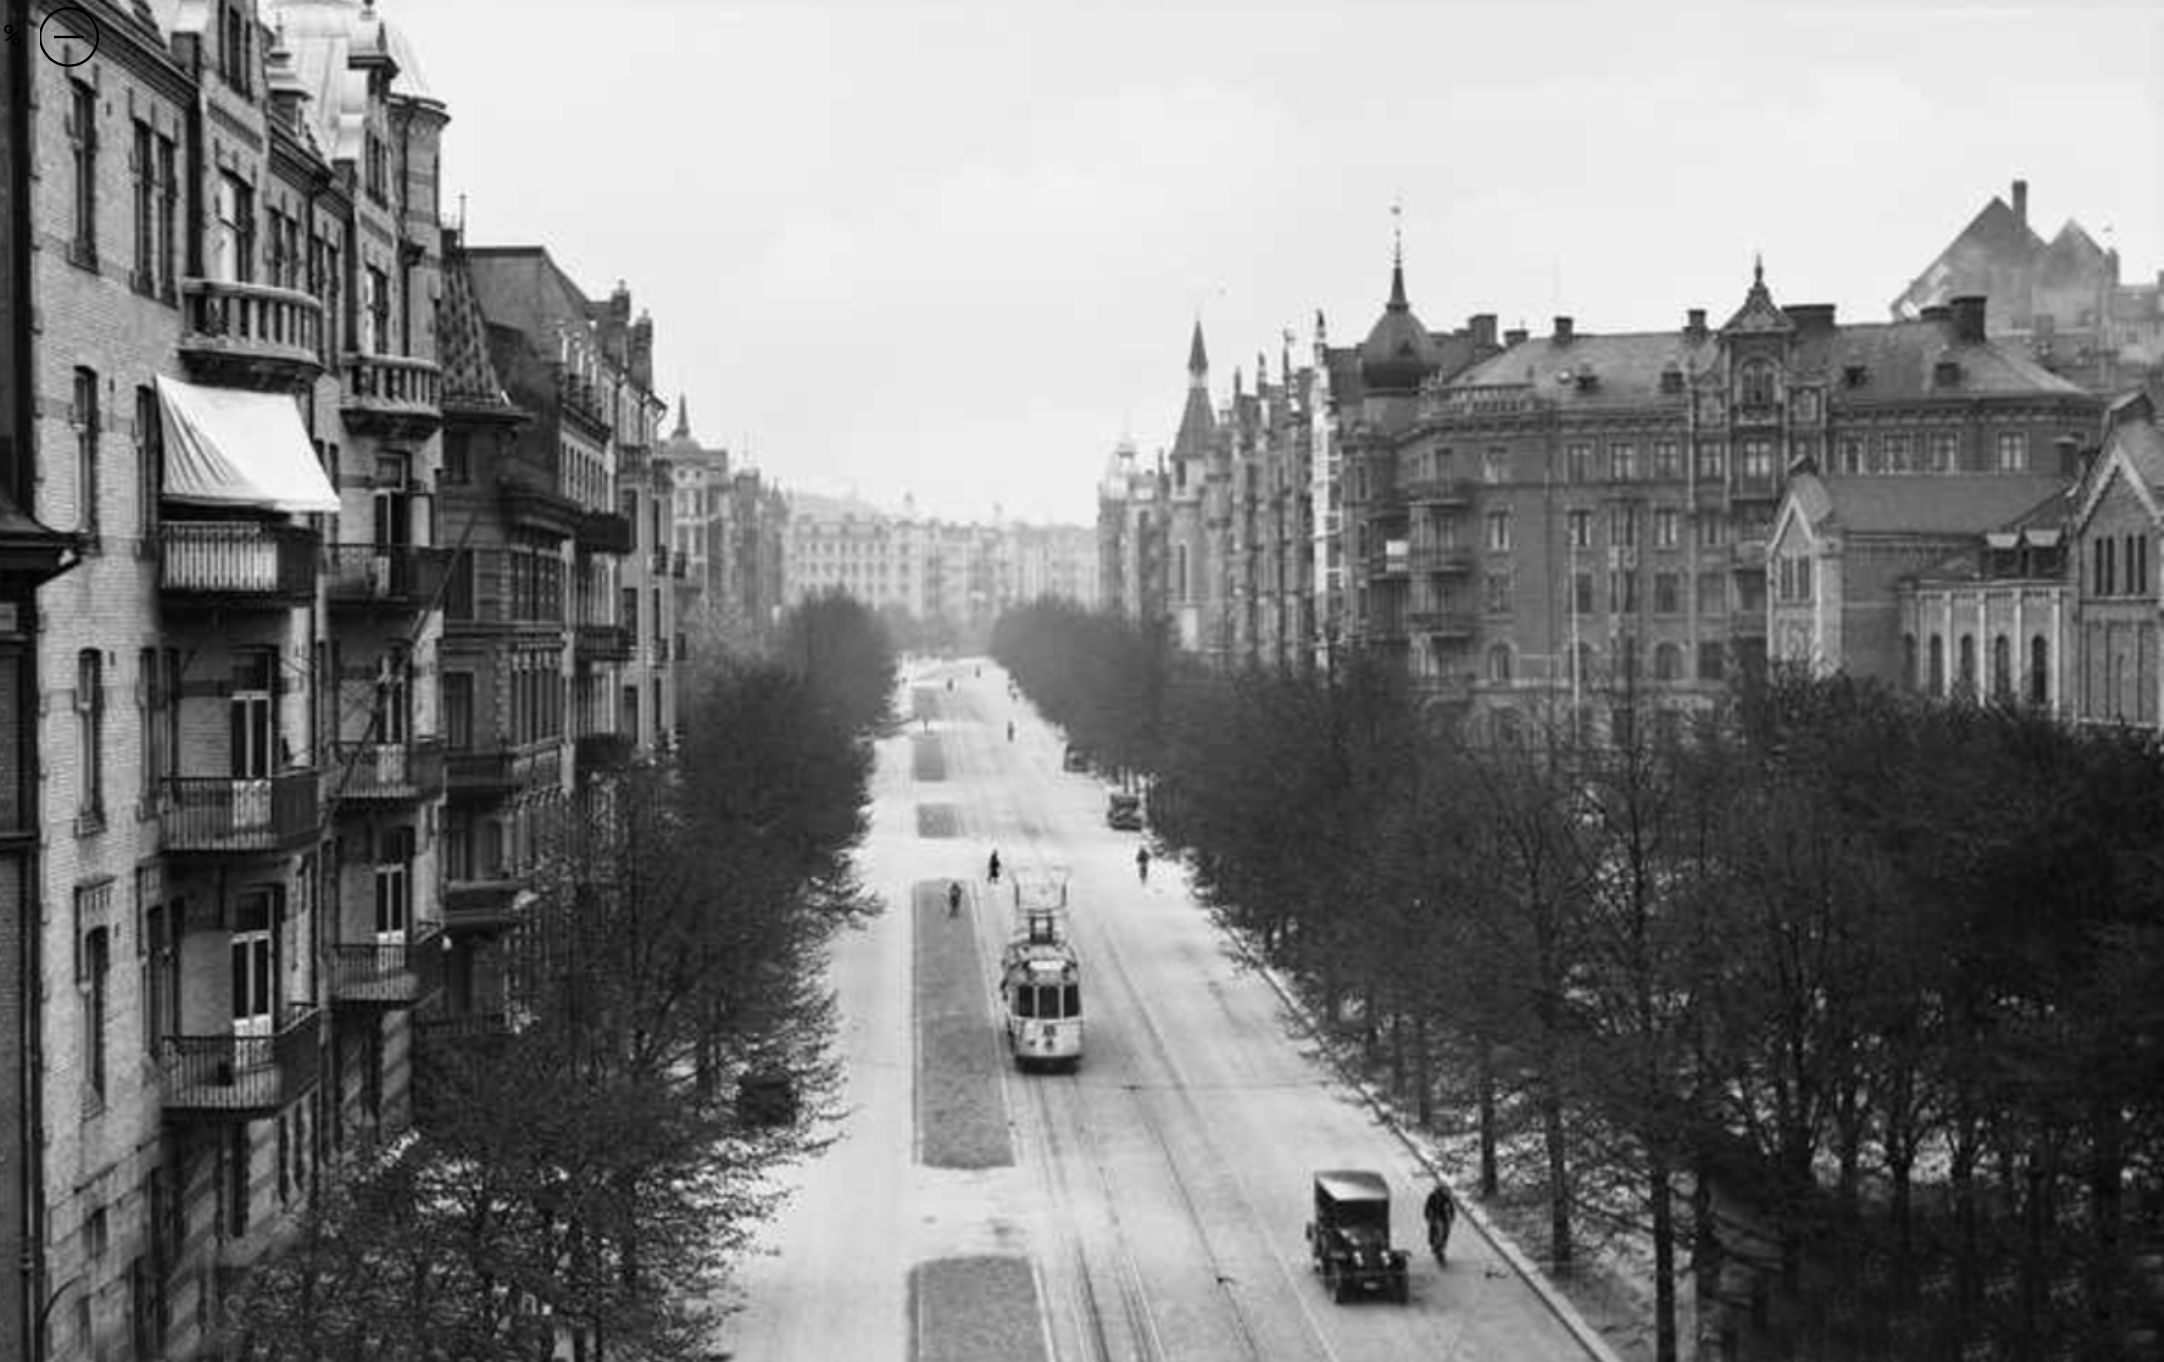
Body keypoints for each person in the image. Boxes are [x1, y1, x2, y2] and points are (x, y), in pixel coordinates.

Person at [1423, 1181, 1457, 1265]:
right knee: (1437, 1229)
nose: (1446, 1192)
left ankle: (1442, 1246)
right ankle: (1434, 1244)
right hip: (1435, 1217)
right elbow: (1427, 1207)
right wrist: (1429, 1217)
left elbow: (1451, 1208)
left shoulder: (1447, 1198)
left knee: (1446, 1231)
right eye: (1444, 1190)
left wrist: (1452, 1217)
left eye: (1446, 1190)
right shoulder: (1432, 1197)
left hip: (1444, 1218)